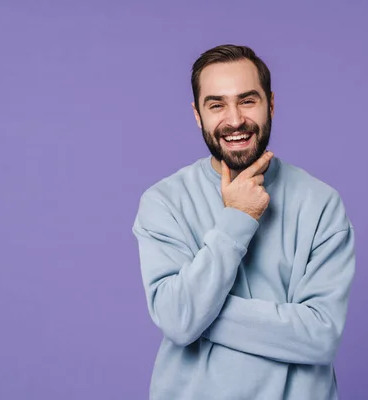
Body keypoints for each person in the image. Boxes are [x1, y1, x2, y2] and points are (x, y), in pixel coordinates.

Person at [132, 44, 356, 400]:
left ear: (271, 103)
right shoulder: (164, 203)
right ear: (197, 114)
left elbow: (320, 337)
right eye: (216, 104)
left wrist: (198, 313)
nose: (234, 120)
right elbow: (177, 321)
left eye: (248, 100)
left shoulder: (321, 203)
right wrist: (238, 218)